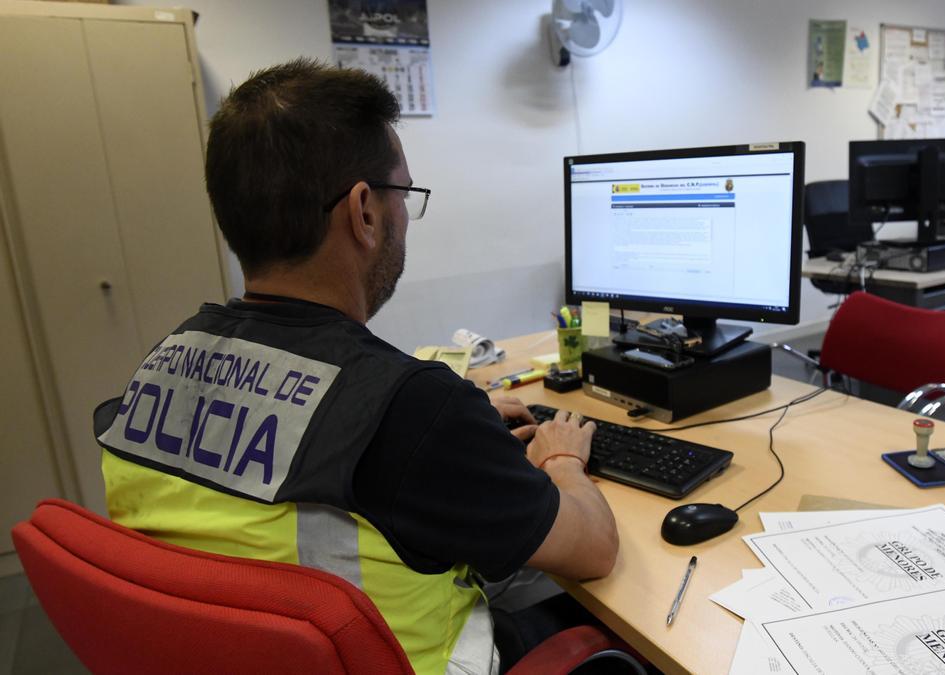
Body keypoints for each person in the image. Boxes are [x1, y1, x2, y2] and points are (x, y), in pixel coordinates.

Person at [92, 58, 618, 675]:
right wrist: (561, 458)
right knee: (614, 630)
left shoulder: (163, 361)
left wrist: (456, 426)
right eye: (405, 196)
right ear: (364, 211)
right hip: (424, 662)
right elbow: (595, 547)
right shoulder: (410, 410)